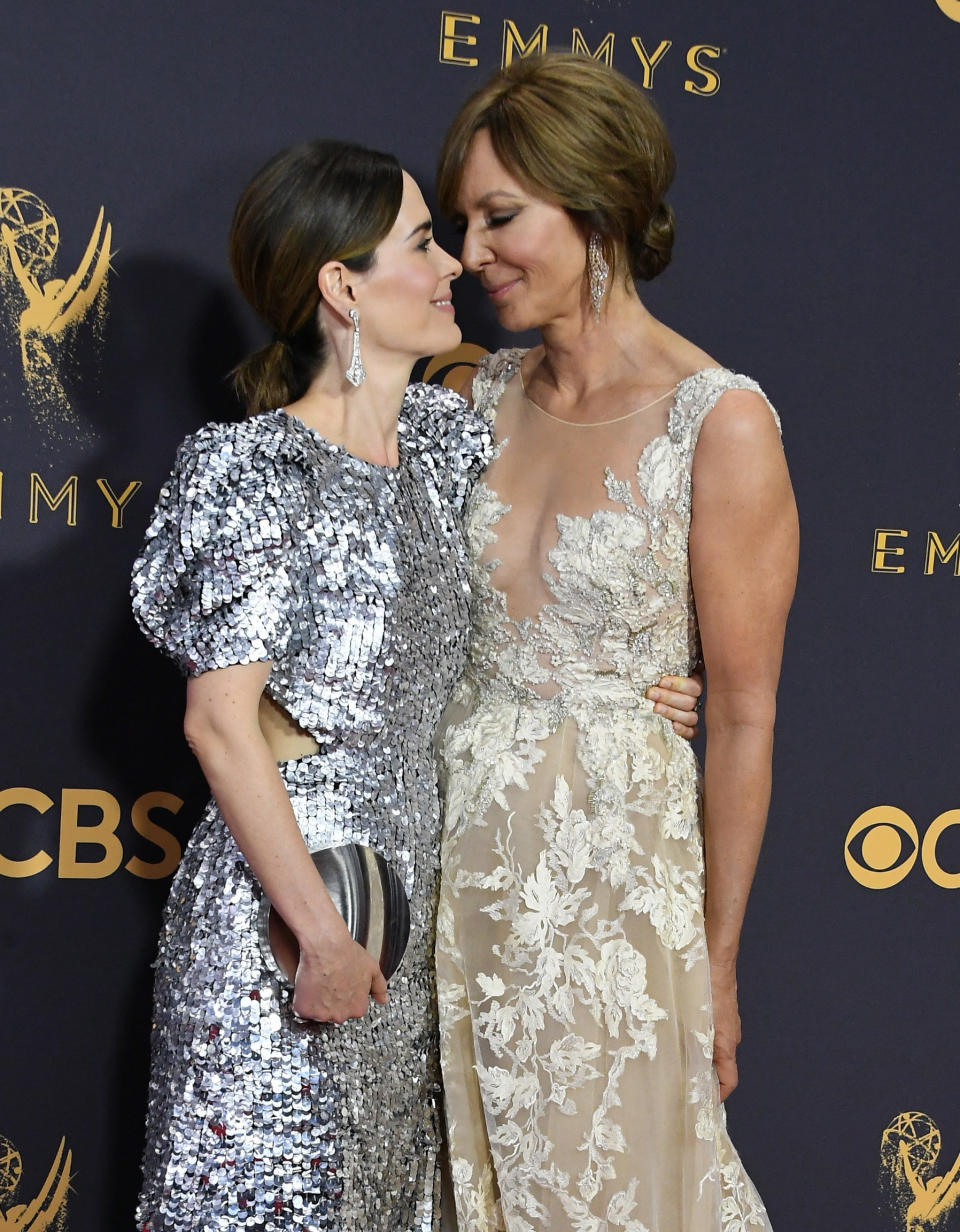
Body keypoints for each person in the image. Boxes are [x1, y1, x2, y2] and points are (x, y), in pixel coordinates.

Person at [130, 137, 701, 1231]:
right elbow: (219, 725)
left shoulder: (443, 444)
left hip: (411, 914)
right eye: (423, 242)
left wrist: (642, 680)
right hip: (282, 926)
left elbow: (567, 558)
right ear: (342, 285)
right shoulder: (253, 468)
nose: (455, 268)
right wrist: (320, 933)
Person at [433, 53, 798, 1231]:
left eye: (501, 218)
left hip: (614, 885)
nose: (472, 253)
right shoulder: (473, 395)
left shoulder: (719, 418)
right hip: (454, 861)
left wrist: (721, 959)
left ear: (594, 208)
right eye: (461, 222)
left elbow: (742, 715)